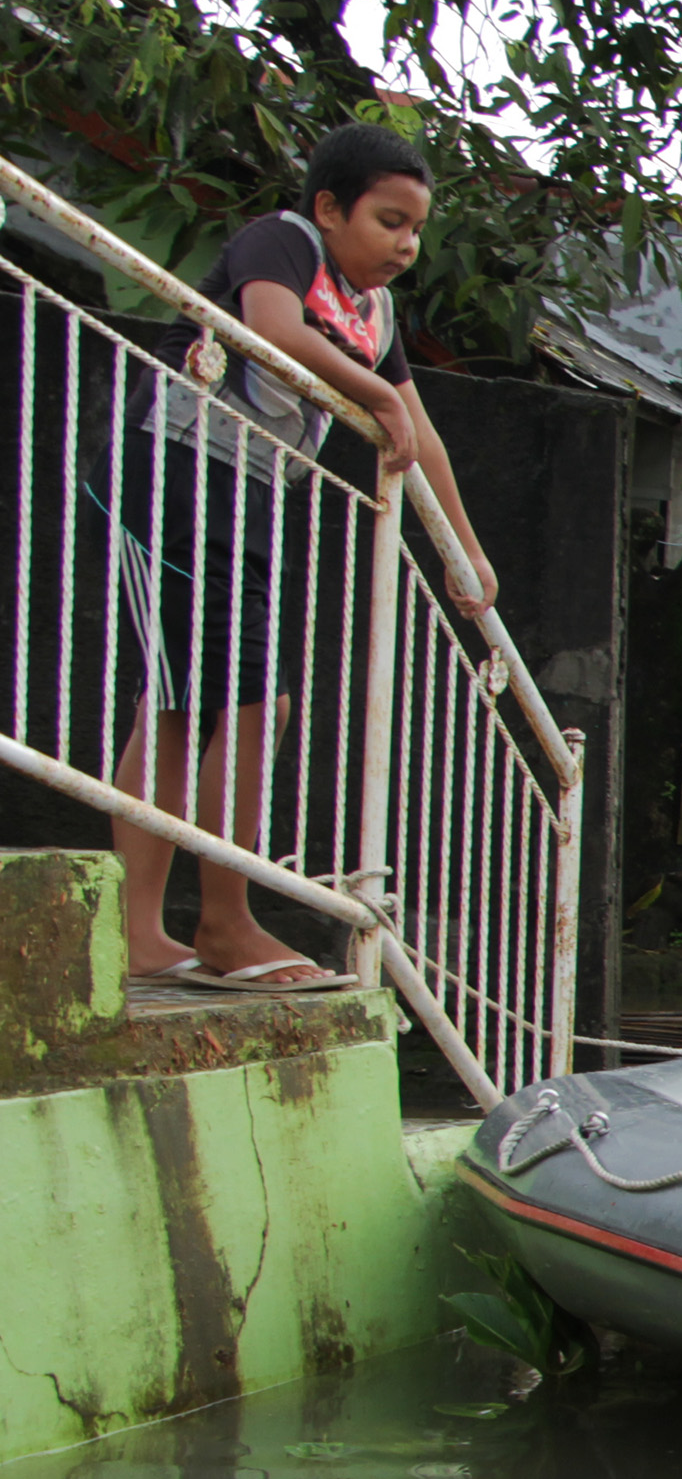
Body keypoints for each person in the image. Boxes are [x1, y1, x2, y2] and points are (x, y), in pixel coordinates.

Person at [109, 121, 498, 987]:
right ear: (329, 208)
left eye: (415, 228)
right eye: (388, 221)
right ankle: (222, 923)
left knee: (180, 703)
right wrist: (373, 398)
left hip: (245, 496)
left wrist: (463, 555)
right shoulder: (281, 243)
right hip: (175, 469)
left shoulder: (374, 310)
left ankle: (150, 932)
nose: (406, 245)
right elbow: (273, 330)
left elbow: (420, 431)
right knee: (248, 703)